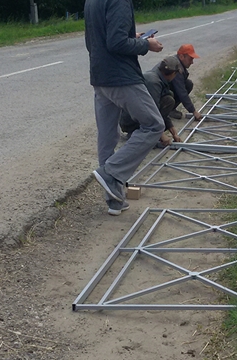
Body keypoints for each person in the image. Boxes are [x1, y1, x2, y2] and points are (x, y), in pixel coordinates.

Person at [84, 0, 164, 216]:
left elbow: (94, 40)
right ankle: (110, 173)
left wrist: (134, 38)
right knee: (154, 125)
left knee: (108, 136)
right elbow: (117, 43)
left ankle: (114, 200)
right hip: (121, 77)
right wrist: (147, 45)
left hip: (100, 76)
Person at [120, 56, 183, 146]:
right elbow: (150, 110)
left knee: (169, 99)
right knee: (168, 100)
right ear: (172, 73)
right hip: (130, 120)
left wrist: (174, 132)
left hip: (136, 116)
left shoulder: (158, 78)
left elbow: (159, 111)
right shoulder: (153, 82)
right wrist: (161, 135)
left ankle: (148, 131)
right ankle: (137, 132)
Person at [167, 44, 202, 121]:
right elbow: (181, 92)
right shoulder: (176, 67)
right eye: (190, 59)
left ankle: (170, 109)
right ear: (182, 57)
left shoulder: (178, 63)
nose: (192, 62)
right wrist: (193, 111)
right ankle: (166, 110)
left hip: (164, 88)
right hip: (157, 93)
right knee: (184, 87)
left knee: (188, 84)